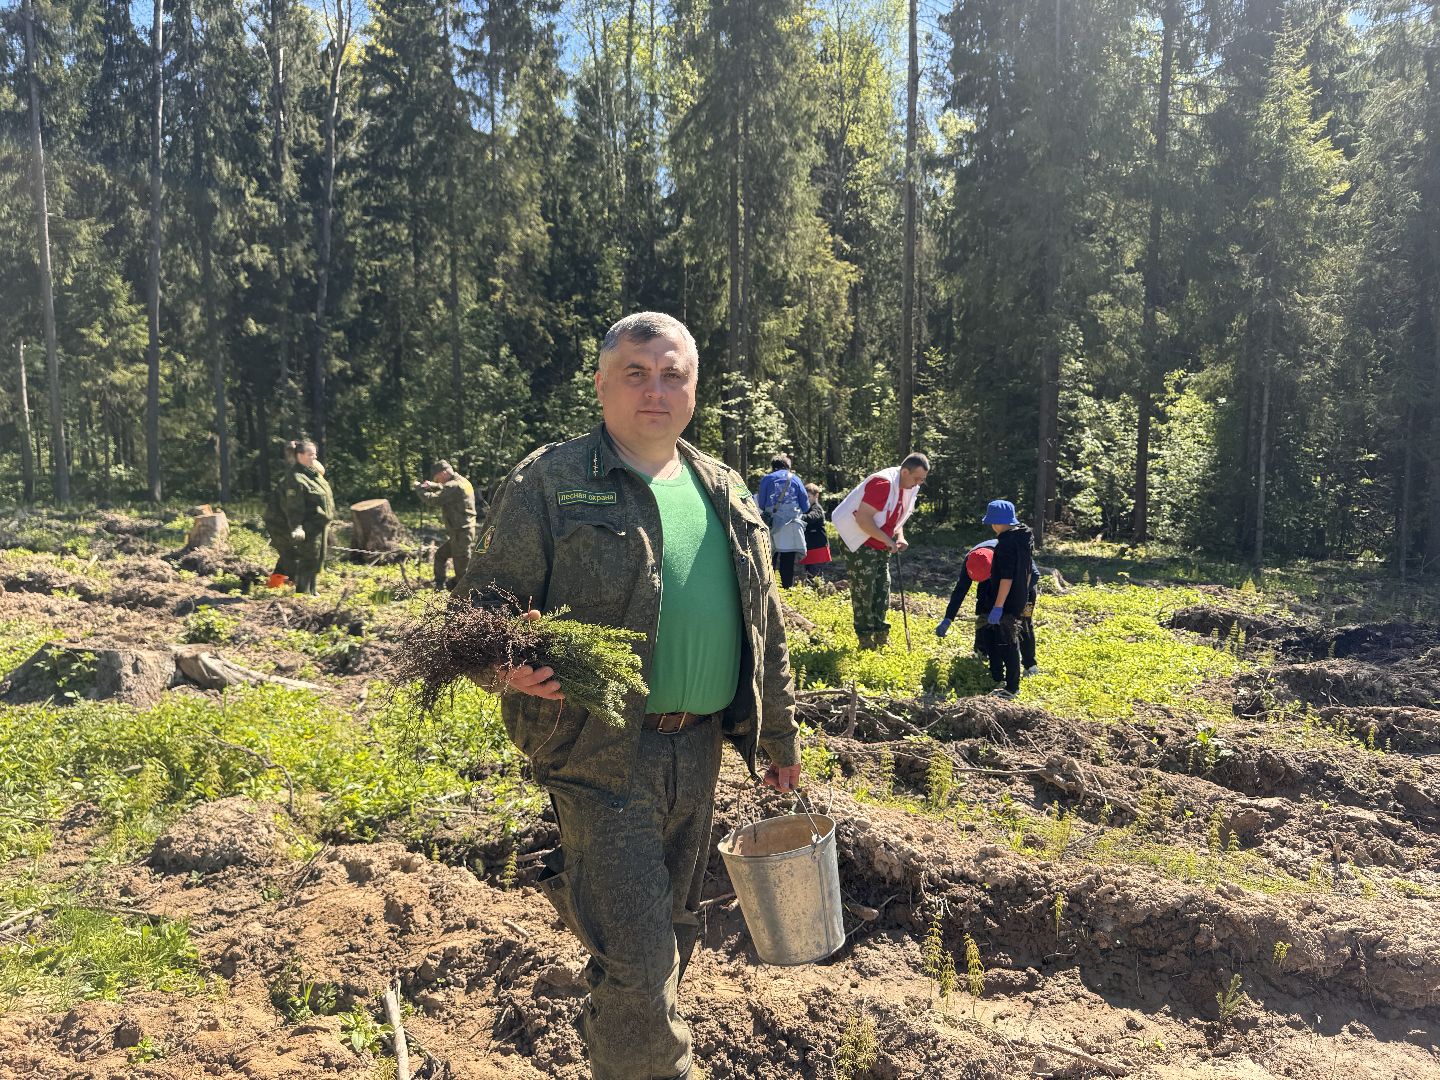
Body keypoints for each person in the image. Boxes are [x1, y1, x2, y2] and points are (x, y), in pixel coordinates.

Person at [453, 311, 801, 1080]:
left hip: (701, 745)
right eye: (636, 373)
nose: (656, 390)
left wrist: (777, 737)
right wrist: (502, 662)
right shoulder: (553, 480)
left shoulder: (724, 489)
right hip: (597, 750)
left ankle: (611, 999)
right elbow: (483, 609)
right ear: (603, 384)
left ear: (694, 389)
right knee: (645, 966)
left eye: (672, 374)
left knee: (670, 936)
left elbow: (765, 622)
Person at [830, 453, 930, 648]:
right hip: (859, 541)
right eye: (916, 478)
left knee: (882, 589)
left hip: (879, 542)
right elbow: (863, 520)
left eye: (922, 480)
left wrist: (899, 537)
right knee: (864, 590)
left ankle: (881, 637)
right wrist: (888, 540)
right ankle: (865, 641)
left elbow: (896, 516)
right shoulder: (882, 485)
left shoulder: (907, 487)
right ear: (904, 471)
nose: (918, 483)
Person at [938, 538, 1041, 674]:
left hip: (1024, 584)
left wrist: (1010, 600)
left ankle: (1030, 664)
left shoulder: (1014, 552)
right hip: (992, 577)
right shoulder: (972, 559)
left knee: (1024, 621)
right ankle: (982, 651)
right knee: (984, 611)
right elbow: (960, 590)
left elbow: (1034, 575)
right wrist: (948, 618)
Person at [981, 499, 1035, 698]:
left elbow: (1006, 577)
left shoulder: (1005, 544)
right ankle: (1011, 682)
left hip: (1006, 600)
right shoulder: (1025, 537)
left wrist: (998, 606)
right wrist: (1024, 591)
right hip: (1021, 595)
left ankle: (1012, 688)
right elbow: (1028, 571)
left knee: (1008, 641)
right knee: (1012, 638)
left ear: (998, 522)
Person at [277, 438, 335, 595]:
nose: (314, 457)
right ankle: (303, 593)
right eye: (310, 454)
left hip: (320, 525)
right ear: (300, 456)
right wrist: (297, 527)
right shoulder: (296, 478)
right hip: (309, 525)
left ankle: (313, 590)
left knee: (318, 558)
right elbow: (294, 507)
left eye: (315, 454)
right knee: (308, 559)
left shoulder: (312, 474)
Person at [417, 459, 477, 592]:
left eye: (438, 478)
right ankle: (440, 585)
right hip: (463, 531)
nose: (438, 481)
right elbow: (445, 488)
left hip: (461, 532)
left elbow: (434, 500)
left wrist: (420, 490)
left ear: (444, 473)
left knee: (461, 569)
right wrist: (432, 485)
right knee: (440, 555)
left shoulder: (453, 486)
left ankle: (464, 594)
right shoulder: (463, 481)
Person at [756, 454, 809, 588]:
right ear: (788, 467)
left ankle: (770, 590)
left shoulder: (767, 479)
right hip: (792, 524)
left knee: (770, 557)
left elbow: (761, 504)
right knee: (788, 560)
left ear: (773, 467)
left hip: (772, 523)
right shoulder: (796, 479)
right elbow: (806, 505)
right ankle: (787, 588)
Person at [262, 441, 299, 588]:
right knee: (292, 553)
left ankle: (275, 583)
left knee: (288, 553)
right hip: (280, 522)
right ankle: (299, 586)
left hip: (285, 520)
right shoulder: (292, 478)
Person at [799, 482, 832, 579]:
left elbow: (811, 517)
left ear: (816, 496)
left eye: (808, 496)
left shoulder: (817, 508)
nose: (806, 499)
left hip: (818, 548)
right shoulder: (805, 509)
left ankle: (819, 591)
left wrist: (798, 516)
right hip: (810, 547)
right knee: (809, 574)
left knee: (815, 576)